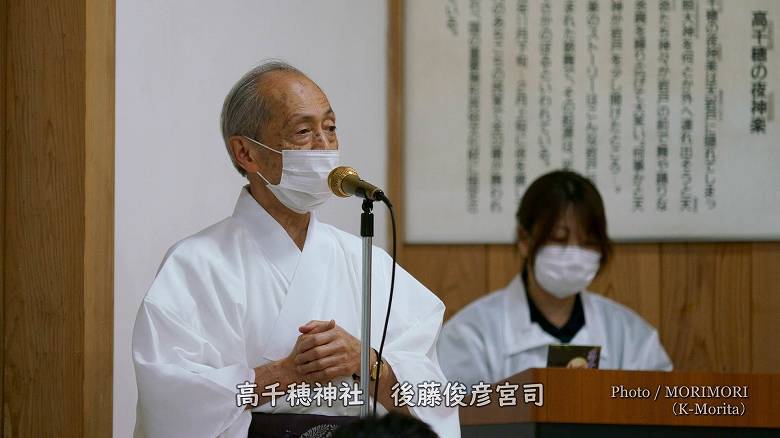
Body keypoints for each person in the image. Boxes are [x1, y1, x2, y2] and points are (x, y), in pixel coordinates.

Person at [132, 61, 458, 438]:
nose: (324, 146)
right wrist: (286, 373)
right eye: (303, 131)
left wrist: (367, 362)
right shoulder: (195, 266)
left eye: (331, 128)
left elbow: (433, 400)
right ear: (246, 153)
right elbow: (172, 405)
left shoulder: (367, 262)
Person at [437, 170, 672, 388]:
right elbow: (446, 421)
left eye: (588, 243)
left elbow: (661, 414)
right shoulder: (472, 334)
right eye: (559, 239)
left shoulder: (630, 336)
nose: (574, 254)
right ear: (524, 240)